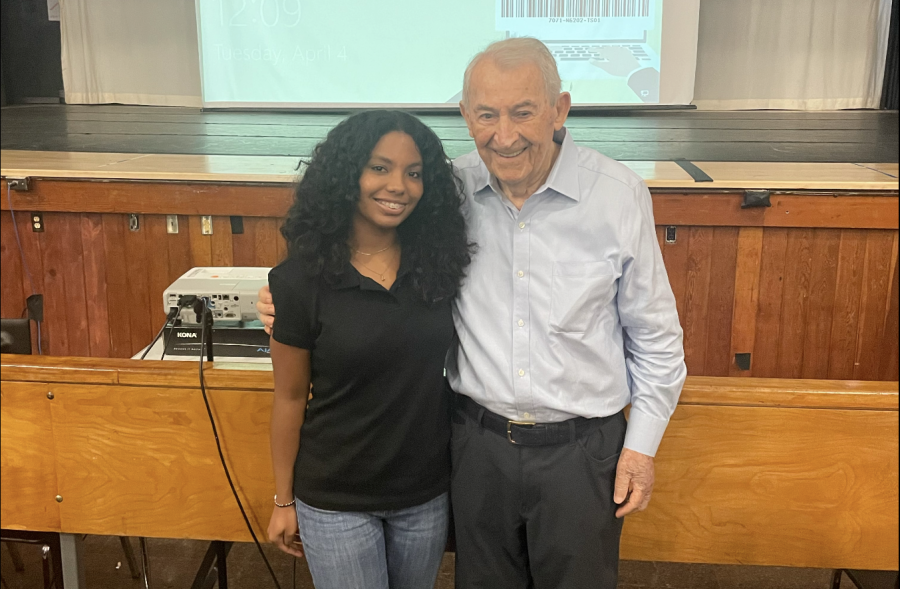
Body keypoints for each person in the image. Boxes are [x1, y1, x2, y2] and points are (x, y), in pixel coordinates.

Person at [260, 38, 686, 589]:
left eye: (523, 112)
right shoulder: (444, 191)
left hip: (582, 455)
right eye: (487, 114)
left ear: (560, 109)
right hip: (474, 448)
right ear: (466, 116)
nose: (503, 136)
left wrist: (641, 450)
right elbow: (351, 246)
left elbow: (656, 339)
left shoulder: (618, 196)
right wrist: (284, 300)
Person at [266, 110, 471, 589]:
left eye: (414, 173)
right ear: (346, 175)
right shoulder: (299, 282)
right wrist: (283, 500)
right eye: (379, 168)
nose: (398, 185)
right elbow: (290, 399)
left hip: (424, 494)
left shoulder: (441, 268)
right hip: (336, 498)